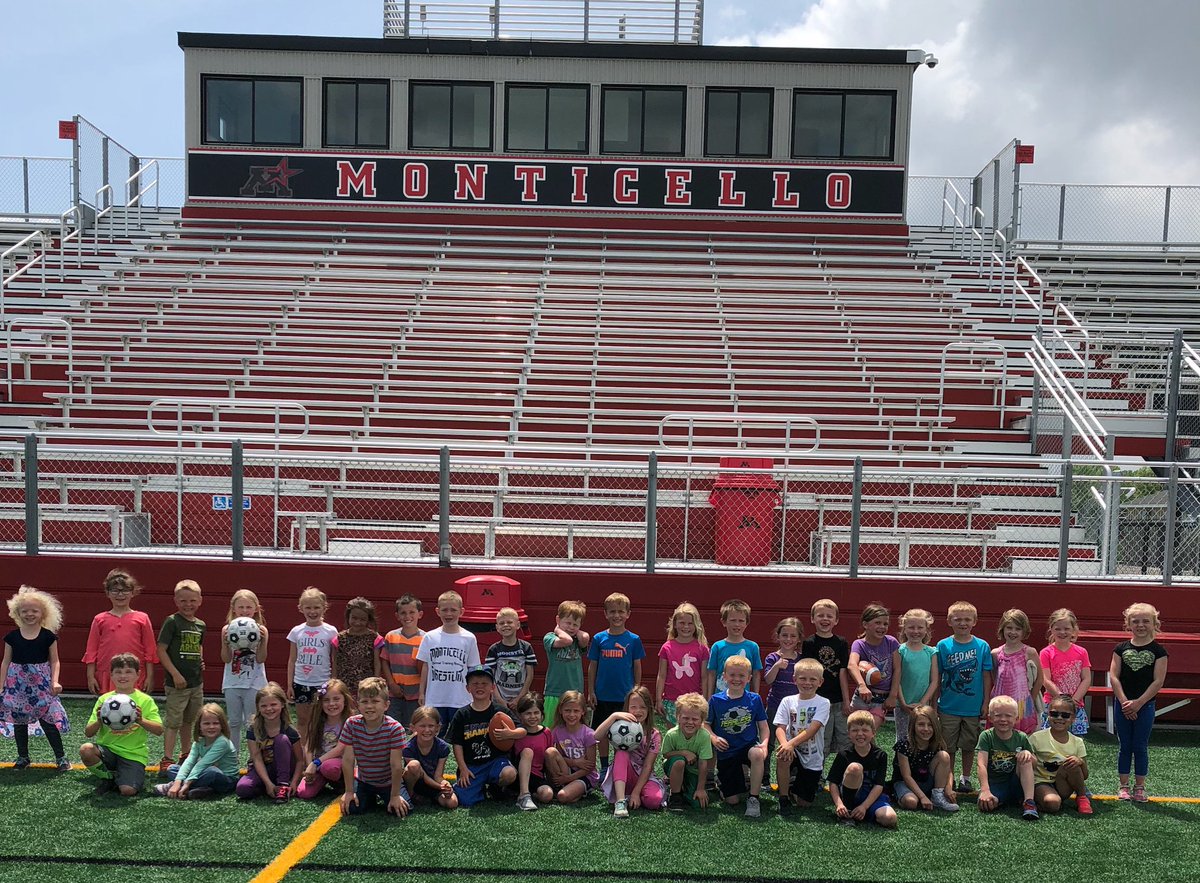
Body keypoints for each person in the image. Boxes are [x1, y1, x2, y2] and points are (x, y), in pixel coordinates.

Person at [1, 586, 70, 770]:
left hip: (41, 684)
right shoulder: (11, 637)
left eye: (34, 611)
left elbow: (55, 661)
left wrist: (55, 681)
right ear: (17, 613)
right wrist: (1, 686)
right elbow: (5, 662)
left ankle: (61, 757)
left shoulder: (48, 637)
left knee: (48, 720)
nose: (29, 614)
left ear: (43, 613)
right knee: (19, 721)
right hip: (17, 685)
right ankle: (23, 757)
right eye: (25, 611)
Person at [79, 653, 164, 797]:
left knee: (127, 791)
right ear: (111, 675)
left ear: (138, 675)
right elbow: (88, 733)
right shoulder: (104, 700)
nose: (123, 676)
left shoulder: (145, 700)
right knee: (86, 750)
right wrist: (99, 720)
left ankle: (126, 776)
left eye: (128, 672)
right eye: (118, 672)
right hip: (108, 750)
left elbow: (159, 730)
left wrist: (141, 720)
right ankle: (108, 779)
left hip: (133, 754)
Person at [1109, 602, 1168, 802]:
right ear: (1128, 624)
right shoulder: (1120, 649)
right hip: (1123, 705)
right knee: (1125, 745)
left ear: (1154, 624)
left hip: (1145, 706)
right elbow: (1114, 676)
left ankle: (1140, 786)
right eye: (1135, 621)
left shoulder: (1159, 651)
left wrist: (1139, 703)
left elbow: (1158, 681)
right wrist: (1124, 702)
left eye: (1145, 621)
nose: (1140, 625)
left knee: (1140, 746)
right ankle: (1123, 785)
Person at [936, 601, 992, 793]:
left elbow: (986, 676)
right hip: (948, 706)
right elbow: (937, 676)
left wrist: (986, 702)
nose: (962, 623)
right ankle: (949, 778)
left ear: (974, 621)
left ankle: (965, 778)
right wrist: (935, 702)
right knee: (948, 746)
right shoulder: (943, 645)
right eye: (957, 619)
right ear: (949, 621)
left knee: (969, 745)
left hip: (972, 707)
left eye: (967, 619)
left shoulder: (982, 646)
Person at [586, 592, 645, 772]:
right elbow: (592, 666)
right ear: (605, 614)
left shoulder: (634, 640)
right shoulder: (599, 639)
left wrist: (636, 690)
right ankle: (605, 767)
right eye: (612, 611)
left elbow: (637, 666)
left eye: (621, 611)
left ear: (628, 614)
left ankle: (624, 765)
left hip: (624, 696)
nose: (616, 615)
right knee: (602, 732)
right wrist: (591, 691)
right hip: (603, 695)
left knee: (625, 731)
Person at [449, 666, 521, 807]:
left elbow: (522, 730)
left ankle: (496, 786)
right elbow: (457, 744)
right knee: (466, 801)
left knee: (509, 773)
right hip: (472, 765)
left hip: (495, 761)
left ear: (492, 687)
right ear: (468, 688)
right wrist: (463, 768)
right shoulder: (462, 714)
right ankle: (478, 787)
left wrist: (511, 733)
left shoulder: (500, 711)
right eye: (475, 683)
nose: (480, 687)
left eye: (484, 683)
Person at [706, 655, 768, 817]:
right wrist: (713, 737)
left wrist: (764, 744)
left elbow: (763, 726)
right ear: (724, 676)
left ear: (749, 678)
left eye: (741, 675)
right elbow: (705, 724)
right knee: (732, 800)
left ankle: (754, 798)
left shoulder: (755, 699)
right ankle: (725, 783)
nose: (736, 679)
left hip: (748, 746)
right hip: (727, 751)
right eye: (732, 675)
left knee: (757, 754)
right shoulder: (715, 700)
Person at [339, 676, 411, 817]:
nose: (369, 706)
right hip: (364, 780)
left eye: (375, 701)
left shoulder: (395, 728)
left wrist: (395, 795)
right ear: (358, 705)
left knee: (401, 810)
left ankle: (401, 791)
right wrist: (349, 791)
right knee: (352, 809)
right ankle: (368, 797)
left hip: (388, 782)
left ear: (386, 705)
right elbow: (347, 760)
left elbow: (396, 765)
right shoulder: (351, 724)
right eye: (364, 701)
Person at [156, 578, 206, 774]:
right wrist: (175, 674)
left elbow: (198, 645)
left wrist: (200, 660)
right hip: (177, 684)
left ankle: (186, 754)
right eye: (183, 601)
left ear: (200, 601)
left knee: (190, 721)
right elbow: (161, 650)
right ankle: (167, 758)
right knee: (173, 722)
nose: (188, 605)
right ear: (176, 601)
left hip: (196, 683)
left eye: (192, 600)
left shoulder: (201, 624)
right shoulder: (172, 622)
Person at [83, 568, 157, 695]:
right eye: (115, 590)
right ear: (108, 593)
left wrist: (150, 677)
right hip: (107, 673)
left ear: (133, 592)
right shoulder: (99, 619)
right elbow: (91, 651)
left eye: (125, 590)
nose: (120, 594)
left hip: (133, 673)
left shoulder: (142, 618)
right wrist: (90, 676)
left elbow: (150, 650)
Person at [417, 590, 481, 737]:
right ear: (437, 611)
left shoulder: (469, 638)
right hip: (435, 698)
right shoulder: (429, 637)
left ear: (461, 611)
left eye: (453, 610)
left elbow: (473, 668)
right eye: (445, 610)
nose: (449, 614)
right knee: (434, 736)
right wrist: (421, 692)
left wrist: (475, 693)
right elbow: (425, 666)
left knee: (460, 737)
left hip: (460, 698)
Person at [595, 685, 664, 817]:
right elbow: (596, 737)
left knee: (653, 801)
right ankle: (621, 801)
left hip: (643, 776)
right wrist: (614, 716)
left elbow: (648, 766)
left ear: (649, 709)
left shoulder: (654, 734)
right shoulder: (617, 727)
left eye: (643, 707)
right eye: (633, 707)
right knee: (622, 752)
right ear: (627, 708)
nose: (638, 711)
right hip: (622, 775)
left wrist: (636, 792)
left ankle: (635, 795)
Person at [773, 658, 829, 816]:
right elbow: (780, 727)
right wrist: (785, 745)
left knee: (804, 803)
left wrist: (790, 744)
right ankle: (783, 798)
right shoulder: (787, 701)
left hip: (812, 754)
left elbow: (812, 729)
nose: (807, 683)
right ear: (794, 679)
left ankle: (793, 785)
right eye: (803, 678)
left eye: (813, 679)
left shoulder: (823, 703)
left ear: (820, 682)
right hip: (791, 750)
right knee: (783, 756)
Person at [828, 710, 897, 828]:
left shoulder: (880, 755)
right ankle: (847, 812)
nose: (860, 734)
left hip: (871, 798)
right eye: (855, 730)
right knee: (855, 768)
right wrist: (839, 804)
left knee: (890, 818)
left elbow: (879, 785)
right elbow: (833, 783)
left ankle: (862, 812)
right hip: (850, 796)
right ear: (849, 734)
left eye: (865, 730)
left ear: (873, 733)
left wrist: (864, 806)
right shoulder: (844, 755)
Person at [154, 703, 239, 799]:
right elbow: (189, 762)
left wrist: (186, 783)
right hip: (203, 774)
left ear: (222, 725)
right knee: (172, 769)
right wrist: (178, 781)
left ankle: (178, 786)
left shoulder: (223, 742)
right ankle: (202, 789)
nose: (211, 727)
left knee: (212, 771)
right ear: (199, 726)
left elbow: (202, 764)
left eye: (215, 723)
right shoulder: (198, 742)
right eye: (206, 723)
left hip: (226, 780)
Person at [220, 588, 269, 755]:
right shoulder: (227, 629)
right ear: (233, 608)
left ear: (256, 609)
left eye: (248, 607)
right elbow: (226, 658)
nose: (245, 611)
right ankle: (232, 757)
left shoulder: (261, 630)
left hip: (254, 683)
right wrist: (225, 643)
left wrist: (263, 641)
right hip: (232, 683)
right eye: (241, 607)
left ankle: (254, 758)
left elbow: (261, 659)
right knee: (234, 722)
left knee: (252, 723)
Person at [237, 682, 303, 802]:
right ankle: (268, 787)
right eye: (264, 706)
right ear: (258, 707)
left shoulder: (290, 731)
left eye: (273, 704)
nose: (269, 709)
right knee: (243, 789)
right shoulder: (253, 729)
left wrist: (294, 782)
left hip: (284, 769)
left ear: (282, 704)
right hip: (263, 769)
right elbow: (256, 758)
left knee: (281, 739)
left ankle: (283, 785)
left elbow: (299, 760)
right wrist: (268, 783)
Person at [801, 598, 851, 758]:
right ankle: (818, 771)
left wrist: (846, 700)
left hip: (838, 701)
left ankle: (845, 771)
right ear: (812, 619)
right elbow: (807, 673)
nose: (825, 619)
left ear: (836, 620)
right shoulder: (809, 643)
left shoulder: (841, 643)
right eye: (820, 615)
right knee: (823, 741)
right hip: (819, 701)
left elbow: (843, 672)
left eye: (829, 616)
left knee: (846, 740)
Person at [286, 587, 338, 739]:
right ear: (301, 608)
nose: (312, 611)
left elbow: (334, 659)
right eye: (308, 608)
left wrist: (333, 681)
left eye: (316, 607)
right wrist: (290, 684)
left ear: (324, 608)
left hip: (322, 683)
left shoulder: (331, 631)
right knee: (303, 720)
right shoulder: (296, 631)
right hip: (301, 682)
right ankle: (302, 748)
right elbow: (292, 659)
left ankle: (321, 747)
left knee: (322, 720)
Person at [976, 695, 1038, 820]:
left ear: (1016, 718)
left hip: (1016, 782)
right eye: (998, 715)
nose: (1003, 719)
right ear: (990, 718)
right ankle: (1008, 799)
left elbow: (1035, 764)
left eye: (1008, 716)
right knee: (987, 805)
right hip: (996, 783)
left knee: (1026, 760)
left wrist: (1028, 754)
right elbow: (981, 764)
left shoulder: (1021, 737)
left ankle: (1029, 802)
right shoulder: (987, 736)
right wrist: (985, 790)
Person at [1029, 694, 1091, 814]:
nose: (1059, 718)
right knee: (1053, 804)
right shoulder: (1036, 737)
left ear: (1073, 718)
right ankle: (1036, 800)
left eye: (1065, 715)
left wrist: (1080, 762)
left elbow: (1085, 775)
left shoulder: (1077, 742)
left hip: (1063, 783)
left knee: (1073, 763)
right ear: (1048, 714)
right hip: (1041, 783)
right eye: (1054, 714)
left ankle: (1082, 798)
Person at [891, 704, 958, 813]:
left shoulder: (936, 743)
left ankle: (937, 795)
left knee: (944, 756)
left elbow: (948, 771)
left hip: (926, 780)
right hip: (905, 782)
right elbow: (906, 776)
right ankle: (898, 795)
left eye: (930, 725)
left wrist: (948, 788)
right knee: (911, 802)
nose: (926, 729)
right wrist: (922, 797)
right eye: (921, 724)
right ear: (913, 726)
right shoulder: (904, 744)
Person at [297, 679, 353, 799]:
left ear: (345, 700)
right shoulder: (317, 720)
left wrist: (316, 763)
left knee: (330, 768)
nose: (331, 704)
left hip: (339, 763)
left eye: (336, 699)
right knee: (303, 793)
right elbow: (309, 745)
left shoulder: (350, 721)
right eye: (326, 700)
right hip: (318, 764)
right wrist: (309, 766)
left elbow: (339, 749)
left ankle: (341, 783)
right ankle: (323, 780)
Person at [763, 616, 802, 787]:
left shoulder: (801, 659)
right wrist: (777, 666)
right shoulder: (773, 657)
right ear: (778, 636)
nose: (788, 639)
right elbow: (768, 680)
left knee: (793, 741)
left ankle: (793, 776)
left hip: (794, 709)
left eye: (793, 636)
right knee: (769, 742)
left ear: (799, 639)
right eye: (784, 635)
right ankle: (764, 776)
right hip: (774, 706)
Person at [655, 601, 709, 726]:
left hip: (694, 701)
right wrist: (658, 699)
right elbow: (661, 675)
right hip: (671, 700)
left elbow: (704, 677)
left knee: (692, 730)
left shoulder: (702, 648)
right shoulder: (667, 647)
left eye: (690, 623)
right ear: (675, 624)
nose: (686, 627)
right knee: (672, 733)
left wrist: (705, 699)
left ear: (696, 625)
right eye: (682, 623)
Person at [1039, 608, 1091, 735]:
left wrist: (1074, 700)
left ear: (1073, 629)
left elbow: (1086, 678)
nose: (1062, 632)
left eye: (1066, 629)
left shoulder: (1081, 652)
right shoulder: (1046, 653)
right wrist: (1061, 698)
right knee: (1051, 738)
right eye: (1058, 629)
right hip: (1052, 704)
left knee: (1076, 739)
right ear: (1051, 629)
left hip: (1076, 705)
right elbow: (1045, 679)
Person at [848, 603, 901, 727]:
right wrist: (862, 686)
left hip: (881, 699)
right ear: (865, 624)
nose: (882, 627)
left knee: (869, 730)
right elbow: (852, 665)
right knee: (857, 731)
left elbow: (897, 669)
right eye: (877, 623)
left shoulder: (891, 642)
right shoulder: (859, 644)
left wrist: (893, 695)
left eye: (885, 624)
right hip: (863, 697)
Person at [991, 608, 1042, 735]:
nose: (1013, 632)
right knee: (1000, 733)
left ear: (1024, 631)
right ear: (1003, 629)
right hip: (1000, 700)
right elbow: (994, 677)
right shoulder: (996, 653)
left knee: (1022, 735)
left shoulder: (1029, 652)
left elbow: (1040, 679)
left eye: (1018, 629)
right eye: (1009, 628)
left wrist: (1031, 699)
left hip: (1022, 701)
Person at [545, 689, 598, 805]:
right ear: (560, 710)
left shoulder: (589, 734)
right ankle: (559, 786)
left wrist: (569, 778)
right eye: (567, 710)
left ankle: (573, 790)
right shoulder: (557, 731)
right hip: (567, 769)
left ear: (583, 711)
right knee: (550, 751)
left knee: (562, 796)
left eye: (576, 711)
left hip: (584, 775)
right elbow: (558, 757)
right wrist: (575, 762)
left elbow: (590, 766)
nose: (571, 715)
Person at [661, 692, 712, 811]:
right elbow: (666, 754)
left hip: (693, 770)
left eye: (695, 719)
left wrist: (700, 788)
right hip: (673, 766)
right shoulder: (672, 734)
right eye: (685, 718)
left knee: (697, 804)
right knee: (679, 761)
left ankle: (684, 787)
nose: (690, 722)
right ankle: (675, 795)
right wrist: (683, 753)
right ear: (678, 717)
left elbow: (703, 763)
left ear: (702, 720)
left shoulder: (704, 736)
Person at [542, 600, 589, 726]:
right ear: (558, 620)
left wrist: (576, 632)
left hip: (575, 692)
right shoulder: (550, 637)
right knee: (551, 726)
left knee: (573, 726)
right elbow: (567, 640)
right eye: (568, 623)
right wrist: (557, 630)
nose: (571, 627)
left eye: (575, 624)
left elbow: (585, 637)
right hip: (555, 691)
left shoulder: (578, 640)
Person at [402, 705, 458, 809]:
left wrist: (445, 785)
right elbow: (424, 776)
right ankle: (410, 795)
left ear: (438, 728)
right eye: (422, 726)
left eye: (431, 726)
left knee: (452, 803)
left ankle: (428, 797)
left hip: (432, 784)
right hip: (415, 783)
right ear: (413, 728)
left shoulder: (442, 747)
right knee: (414, 765)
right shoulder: (408, 748)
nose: (427, 730)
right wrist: (439, 787)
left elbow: (438, 776)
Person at [381, 594, 425, 727]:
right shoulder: (391, 637)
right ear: (397, 616)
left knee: (412, 727)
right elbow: (385, 661)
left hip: (416, 694)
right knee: (392, 727)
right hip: (395, 693)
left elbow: (426, 667)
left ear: (420, 614)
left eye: (412, 612)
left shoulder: (425, 639)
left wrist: (422, 691)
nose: (407, 616)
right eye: (403, 613)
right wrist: (391, 683)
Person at [895, 608, 938, 742]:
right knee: (903, 739)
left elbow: (934, 681)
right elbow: (896, 679)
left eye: (920, 627)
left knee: (923, 737)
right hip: (903, 705)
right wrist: (903, 703)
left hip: (923, 706)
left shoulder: (931, 652)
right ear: (904, 629)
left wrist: (922, 702)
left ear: (926, 629)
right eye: (911, 627)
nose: (915, 631)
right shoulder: (899, 650)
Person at [705, 599, 762, 697]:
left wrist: (756, 696)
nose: (737, 624)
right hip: (721, 698)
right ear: (724, 622)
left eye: (741, 621)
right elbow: (712, 673)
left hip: (743, 698)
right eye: (733, 620)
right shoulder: (717, 646)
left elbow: (756, 673)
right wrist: (710, 697)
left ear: (746, 623)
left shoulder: (752, 647)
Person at [331, 597, 385, 698]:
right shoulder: (339, 639)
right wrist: (334, 682)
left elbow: (377, 663)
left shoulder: (374, 638)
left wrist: (376, 681)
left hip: (366, 686)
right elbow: (335, 663)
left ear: (368, 620)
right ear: (348, 616)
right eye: (354, 618)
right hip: (344, 686)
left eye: (362, 619)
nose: (357, 622)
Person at [485, 607, 536, 711]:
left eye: (509, 622)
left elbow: (529, 675)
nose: (505, 625)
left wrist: (519, 698)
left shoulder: (526, 647)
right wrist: (499, 700)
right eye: (501, 623)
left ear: (518, 625)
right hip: (499, 699)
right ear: (497, 627)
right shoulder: (494, 649)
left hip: (521, 699)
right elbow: (490, 677)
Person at [512, 693, 556, 810]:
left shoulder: (546, 732)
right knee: (527, 751)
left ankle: (531, 794)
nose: (532, 717)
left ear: (542, 714)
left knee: (547, 795)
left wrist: (551, 781)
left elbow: (548, 759)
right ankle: (523, 795)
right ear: (520, 715)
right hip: (517, 776)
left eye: (536, 713)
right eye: (528, 713)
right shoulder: (516, 733)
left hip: (537, 777)